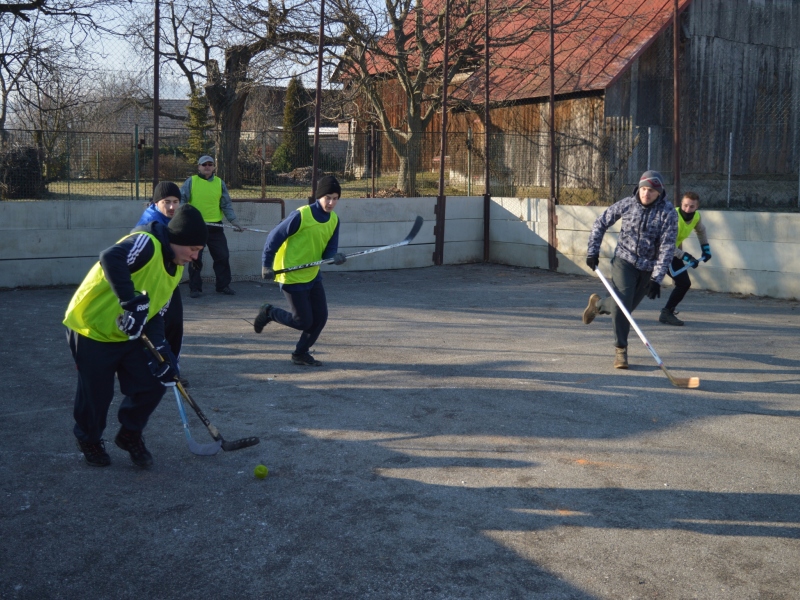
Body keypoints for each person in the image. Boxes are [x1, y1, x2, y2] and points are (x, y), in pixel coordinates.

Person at [64, 204, 208, 467]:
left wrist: (161, 349)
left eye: (199, 251)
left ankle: (130, 434)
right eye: (194, 249)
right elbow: (110, 257)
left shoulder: (176, 269)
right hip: (91, 328)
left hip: (128, 332)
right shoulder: (147, 242)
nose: (195, 257)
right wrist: (130, 301)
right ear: (178, 240)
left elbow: (155, 312)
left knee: (155, 380)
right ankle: (89, 438)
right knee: (96, 395)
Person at [581, 170, 678, 369]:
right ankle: (621, 350)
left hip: (648, 268)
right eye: (643, 189)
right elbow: (601, 222)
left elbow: (667, 248)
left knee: (624, 309)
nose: (646, 194)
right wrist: (593, 251)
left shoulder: (668, 213)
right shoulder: (628, 204)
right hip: (624, 261)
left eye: (651, 190)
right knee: (622, 305)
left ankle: (598, 305)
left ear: (659, 192)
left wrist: (656, 278)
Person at [253, 175, 346, 366]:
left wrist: (335, 258)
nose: (331, 202)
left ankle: (300, 353)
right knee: (303, 321)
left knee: (320, 318)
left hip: (312, 275)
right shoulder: (301, 215)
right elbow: (274, 237)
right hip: (290, 276)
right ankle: (269, 312)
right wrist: (266, 264)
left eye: (335, 198)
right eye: (328, 197)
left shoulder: (334, 220)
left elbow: (329, 249)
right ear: (319, 196)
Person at [134, 181, 188, 383]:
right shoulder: (152, 224)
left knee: (174, 323)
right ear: (156, 202)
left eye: (176, 202)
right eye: (167, 202)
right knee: (155, 328)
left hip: (167, 281)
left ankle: (171, 368)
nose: (172, 207)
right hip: (151, 284)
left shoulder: (170, 221)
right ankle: (163, 369)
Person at [180, 155, 243, 298]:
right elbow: (182, 200)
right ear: (199, 167)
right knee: (195, 259)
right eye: (204, 164)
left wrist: (234, 221)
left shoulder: (220, 183)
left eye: (210, 164)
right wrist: (185, 216)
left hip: (216, 227)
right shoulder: (191, 182)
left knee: (222, 256)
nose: (207, 167)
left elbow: (226, 204)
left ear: (214, 167)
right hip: (196, 227)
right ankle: (195, 288)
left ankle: (223, 286)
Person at [658, 191, 712, 326]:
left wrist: (705, 249)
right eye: (685, 205)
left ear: (697, 207)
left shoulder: (696, 217)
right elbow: (665, 243)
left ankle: (667, 312)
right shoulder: (672, 216)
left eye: (692, 206)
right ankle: (612, 304)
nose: (688, 209)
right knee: (640, 284)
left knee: (684, 283)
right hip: (656, 252)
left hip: (671, 253)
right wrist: (686, 256)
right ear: (681, 204)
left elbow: (701, 230)